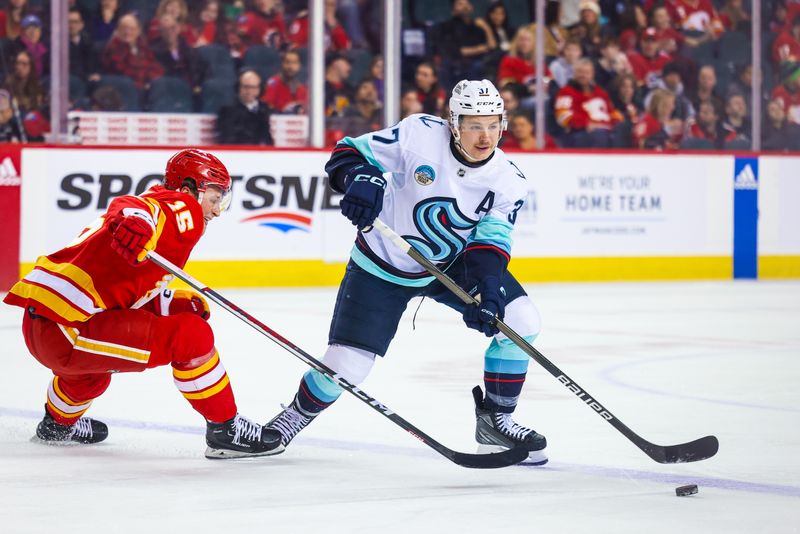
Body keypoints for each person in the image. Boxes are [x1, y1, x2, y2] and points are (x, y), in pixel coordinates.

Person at [265, 79, 548, 465]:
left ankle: (496, 419)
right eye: (474, 125)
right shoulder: (419, 134)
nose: (486, 137)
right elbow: (346, 153)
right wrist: (359, 179)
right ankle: (290, 420)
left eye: (494, 124)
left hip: (451, 264)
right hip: (381, 265)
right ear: (453, 123)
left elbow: (491, 243)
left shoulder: (508, 179)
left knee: (521, 320)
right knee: (348, 365)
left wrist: (490, 288)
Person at [3, 149, 284, 458]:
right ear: (190, 189)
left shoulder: (165, 214)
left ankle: (56, 425)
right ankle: (225, 429)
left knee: (92, 377)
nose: (217, 211)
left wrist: (168, 303)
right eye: (215, 199)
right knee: (191, 335)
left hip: (50, 323)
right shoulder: (180, 208)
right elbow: (133, 206)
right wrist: (135, 219)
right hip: (67, 332)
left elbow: (122, 291)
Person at [216, 68, 273, 145]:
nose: (249, 91)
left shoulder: (264, 109)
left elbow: (267, 139)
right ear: (238, 87)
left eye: (253, 87)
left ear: (259, 89)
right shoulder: (227, 110)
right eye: (246, 87)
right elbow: (227, 138)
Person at [261, 49, 308, 114]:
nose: (290, 66)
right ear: (282, 64)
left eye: (294, 63)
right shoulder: (273, 82)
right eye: (287, 62)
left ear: (299, 66)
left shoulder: (303, 90)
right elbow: (265, 106)